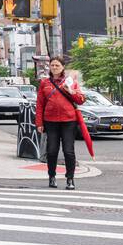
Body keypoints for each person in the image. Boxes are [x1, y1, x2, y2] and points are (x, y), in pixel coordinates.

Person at [36, 55, 84, 189]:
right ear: (49, 67)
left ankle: (70, 179)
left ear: (63, 67)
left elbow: (81, 99)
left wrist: (71, 91)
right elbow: (40, 104)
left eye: (57, 65)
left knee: (69, 151)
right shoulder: (44, 83)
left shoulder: (70, 81)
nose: (55, 67)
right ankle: (52, 177)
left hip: (68, 121)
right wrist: (39, 123)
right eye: (52, 65)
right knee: (51, 151)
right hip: (50, 121)